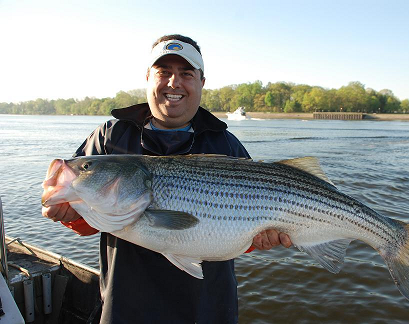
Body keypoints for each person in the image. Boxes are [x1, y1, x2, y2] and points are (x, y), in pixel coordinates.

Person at [42, 34, 292, 323]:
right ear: (148, 77)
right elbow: (88, 221)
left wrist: (259, 238)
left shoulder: (226, 145)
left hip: (209, 309)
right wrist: (68, 213)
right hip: (126, 307)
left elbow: (237, 229)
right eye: (164, 72)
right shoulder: (111, 137)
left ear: (201, 82)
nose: (174, 83)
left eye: (186, 74)